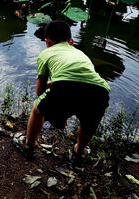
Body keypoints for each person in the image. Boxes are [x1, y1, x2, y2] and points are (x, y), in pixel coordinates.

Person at [14, 20, 111, 166]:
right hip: (100, 90)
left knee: (37, 109)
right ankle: (79, 154)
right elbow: (80, 82)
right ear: (71, 41)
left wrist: (58, 108)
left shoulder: (46, 53)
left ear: (48, 42)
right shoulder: (81, 54)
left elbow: (40, 91)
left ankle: (28, 146)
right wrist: (62, 109)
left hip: (64, 86)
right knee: (88, 123)